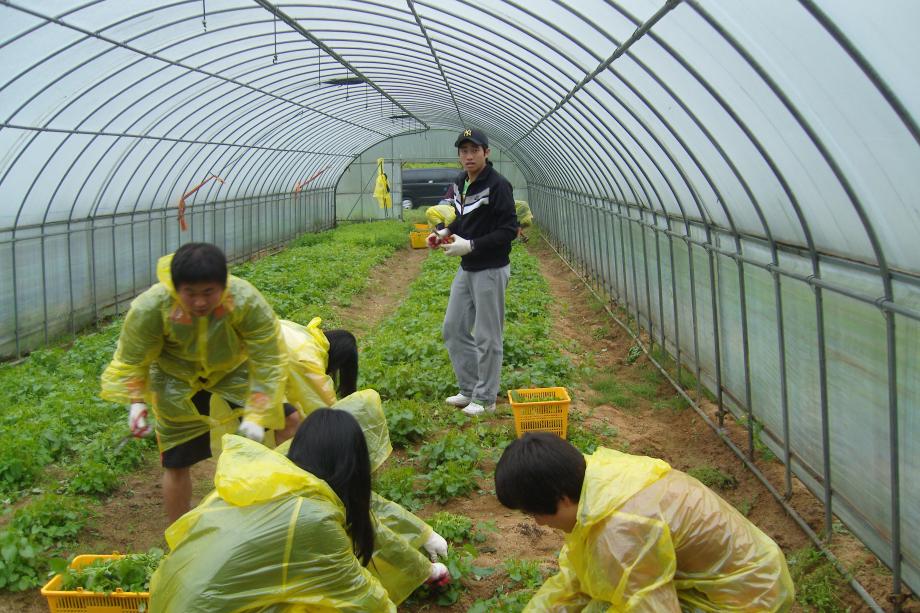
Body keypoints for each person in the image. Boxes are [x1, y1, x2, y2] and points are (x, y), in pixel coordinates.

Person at [149, 409, 450, 612]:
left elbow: (367, 512)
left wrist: (422, 560)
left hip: (167, 597)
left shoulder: (277, 480)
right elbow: (360, 597)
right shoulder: (312, 518)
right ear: (352, 464)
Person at [100, 242, 291, 524]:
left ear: (224, 285)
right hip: (175, 380)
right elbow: (133, 359)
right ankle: (181, 534)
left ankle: (287, 505)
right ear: (175, 288)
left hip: (232, 371)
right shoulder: (152, 308)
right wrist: (137, 403)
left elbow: (268, 359)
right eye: (190, 293)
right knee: (177, 461)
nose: (200, 302)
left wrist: (257, 411)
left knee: (289, 421)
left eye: (208, 292)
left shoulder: (244, 301)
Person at [494, 433, 795, 612]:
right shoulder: (596, 481)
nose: (539, 523)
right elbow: (579, 577)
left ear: (561, 499)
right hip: (737, 571)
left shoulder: (621, 531)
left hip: (750, 597)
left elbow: (651, 607)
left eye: (535, 513)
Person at [428, 128, 518, 416]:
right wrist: (444, 233)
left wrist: (471, 245)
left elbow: (509, 230)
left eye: (474, 150)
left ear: (486, 153)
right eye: (464, 151)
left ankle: (486, 398)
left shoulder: (499, 185)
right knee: (453, 328)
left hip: (490, 269)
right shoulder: (461, 182)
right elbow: (462, 219)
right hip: (467, 268)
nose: (468, 156)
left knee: (487, 336)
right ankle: (469, 389)